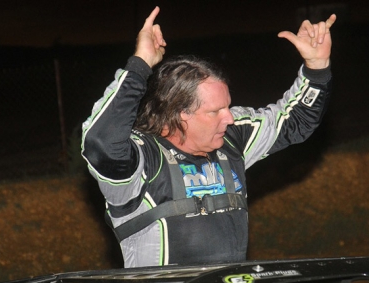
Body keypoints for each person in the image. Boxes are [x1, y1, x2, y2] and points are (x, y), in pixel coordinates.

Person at [82, 7, 336, 268]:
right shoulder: (142, 159)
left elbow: (294, 121)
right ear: (180, 114)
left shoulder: (232, 138)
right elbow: (101, 142)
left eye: (227, 106)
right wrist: (140, 63)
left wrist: (316, 67)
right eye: (215, 111)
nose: (229, 118)